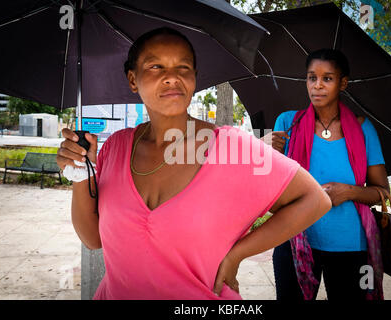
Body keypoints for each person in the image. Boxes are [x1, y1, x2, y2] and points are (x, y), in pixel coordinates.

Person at [56, 27, 331, 300]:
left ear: (195, 79)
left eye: (183, 67)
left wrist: (237, 254)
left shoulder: (231, 147)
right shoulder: (116, 147)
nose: (171, 77)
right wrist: (81, 171)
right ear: (132, 79)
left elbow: (315, 200)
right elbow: (93, 238)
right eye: (155, 66)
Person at [261, 49, 389, 301]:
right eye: (312, 78)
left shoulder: (364, 130)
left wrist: (348, 192)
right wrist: (264, 151)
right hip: (292, 240)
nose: (317, 86)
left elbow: (382, 192)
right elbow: (267, 187)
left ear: (343, 83)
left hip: (350, 246)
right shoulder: (287, 124)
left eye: (327, 79)